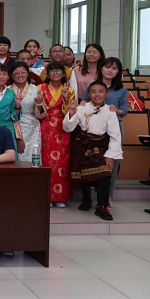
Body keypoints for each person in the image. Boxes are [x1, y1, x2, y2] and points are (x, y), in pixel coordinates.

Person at [64, 81, 123, 221]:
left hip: (101, 145)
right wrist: (71, 114)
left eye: (101, 91)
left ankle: (102, 205)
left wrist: (111, 156)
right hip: (83, 145)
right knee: (84, 172)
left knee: (105, 173)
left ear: (106, 94)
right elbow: (68, 128)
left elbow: (115, 135)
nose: (97, 95)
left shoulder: (110, 111)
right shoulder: (81, 108)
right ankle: (86, 199)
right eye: (93, 92)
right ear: (88, 94)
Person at [82, 57, 128, 202]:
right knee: (92, 161)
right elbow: (83, 104)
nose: (110, 70)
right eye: (107, 67)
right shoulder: (92, 85)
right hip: (93, 129)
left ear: (118, 72)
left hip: (114, 129)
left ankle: (108, 197)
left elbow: (125, 111)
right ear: (101, 68)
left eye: (114, 68)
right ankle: (89, 197)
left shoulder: (122, 89)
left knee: (112, 164)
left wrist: (117, 111)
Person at [35, 61, 75, 207]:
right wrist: (39, 102)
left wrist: (66, 98)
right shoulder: (40, 88)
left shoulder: (69, 89)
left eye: (58, 71)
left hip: (62, 127)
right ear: (47, 73)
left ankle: (60, 197)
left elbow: (71, 111)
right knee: (46, 161)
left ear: (64, 74)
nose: (55, 73)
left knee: (63, 162)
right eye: (52, 71)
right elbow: (38, 109)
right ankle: (48, 196)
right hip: (46, 125)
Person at [9, 62, 41, 162]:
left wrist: (39, 103)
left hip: (33, 128)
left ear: (28, 73)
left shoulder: (35, 89)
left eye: (23, 72)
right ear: (11, 75)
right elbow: (9, 114)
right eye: (16, 73)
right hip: (13, 126)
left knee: (33, 157)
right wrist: (18, 137)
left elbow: (40, 114)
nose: (20, 75)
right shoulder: (7, 90)